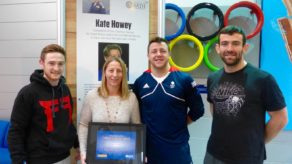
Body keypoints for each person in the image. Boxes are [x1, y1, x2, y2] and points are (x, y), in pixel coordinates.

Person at [204, 25, 289, 164]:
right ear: (218, 48)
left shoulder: (263, 79)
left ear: (245, 48)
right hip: (213, 153)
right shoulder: (213, 77)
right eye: (225, 44)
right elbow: (215, 108)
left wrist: (257, 142)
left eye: (236, 43)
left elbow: (281, 119)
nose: (230, 49)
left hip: (247, 158)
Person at [133, 37, 205, 164]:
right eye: (154, 51)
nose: (158, 54)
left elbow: (198, 110)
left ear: (169, 54)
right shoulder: (140, 82)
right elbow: (136, 115)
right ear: (148, 55)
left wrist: (181, 124)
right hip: (150, 152)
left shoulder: (184, 79)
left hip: (177, 151)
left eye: (162, 51)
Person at [8, 44, 80, 164]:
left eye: (60, 64)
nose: (56, 68)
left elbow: (68, 123)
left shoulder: (65, 90)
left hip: (65, 157)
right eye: (51, 63)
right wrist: (18, 161)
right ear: (41, 62)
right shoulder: (28, 93)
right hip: (39, 159)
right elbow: (16, 131)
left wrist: (77, 146)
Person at [78, 56, 141, 164]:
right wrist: (84, 152)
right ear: (105, 72)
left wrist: (140, 153)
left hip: (122, 159)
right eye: (111, 70)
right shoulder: (92, 96)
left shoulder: (131, 97)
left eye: (119, 71)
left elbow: (137, 127)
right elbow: (83, 126)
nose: (115, 75)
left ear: (123, 74)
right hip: (96, 157)